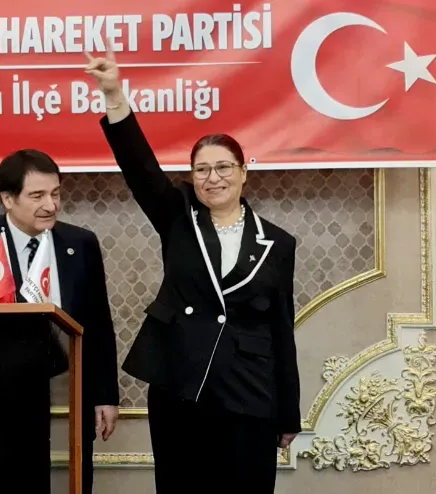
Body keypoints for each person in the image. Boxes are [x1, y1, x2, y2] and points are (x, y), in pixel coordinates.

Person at [83, 48, 301, 493]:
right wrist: (114, 95)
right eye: (201, 170)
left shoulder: (277, 242)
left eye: (223, 168)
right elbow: (141, 169)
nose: (212, 178)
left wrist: (288, 413)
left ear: (244, 173)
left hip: (249, 394)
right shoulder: (178, 218)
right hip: (181, 387)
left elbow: (281, 328)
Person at [0, 149, 120, 494]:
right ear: (8, 199)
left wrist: (105, 396)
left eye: (55, 194)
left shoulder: (80, 243)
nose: (50, 205)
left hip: (67, 389)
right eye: (37, 196)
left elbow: (98, 323)